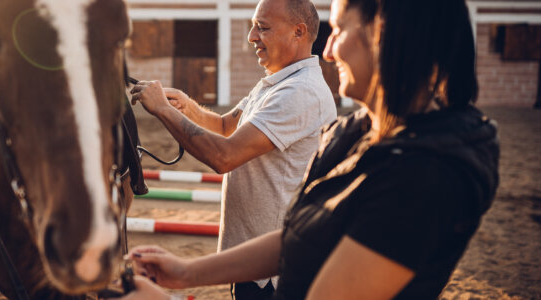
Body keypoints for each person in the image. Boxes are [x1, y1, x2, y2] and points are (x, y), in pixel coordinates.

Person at [113, 0, 500, 299]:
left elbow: (225, 155)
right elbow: (302, 233)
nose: (328, 51)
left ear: (384, 35)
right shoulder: (361, 130)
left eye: (340, 29)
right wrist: (186, 272)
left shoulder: (420, 177)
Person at [129, 0, 336, 298]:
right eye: (253, 26)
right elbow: (227, 126)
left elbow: (224, 156)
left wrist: (163, 109)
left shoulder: (300, 92)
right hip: (251, 261)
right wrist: (187, 107)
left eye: (262, 28)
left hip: (271, 272)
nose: (251, 36)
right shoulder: (276, 83)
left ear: (298, 32)